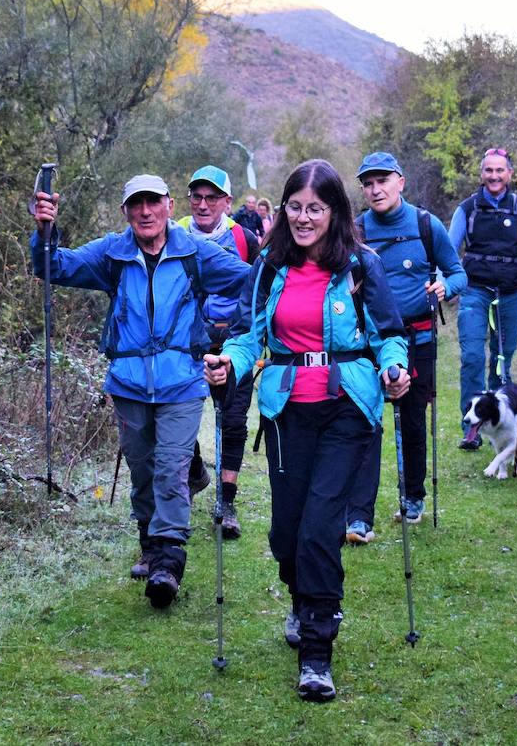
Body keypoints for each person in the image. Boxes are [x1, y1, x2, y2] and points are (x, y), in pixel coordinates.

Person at [204, 159, 409, 703]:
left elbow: (390, 334)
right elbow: (249, 336)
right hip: (287, 409)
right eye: (294, 207)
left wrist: (394, 369)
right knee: (285, 533)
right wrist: (230, 361)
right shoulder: (270, 268)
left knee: (320, 527)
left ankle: (317, 650)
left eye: (314, 209)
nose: (302, 217)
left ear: (334, 212)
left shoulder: (362, 264)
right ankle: (304, 599)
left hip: (348, 406)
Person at [31, 174, 250, 608]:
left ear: (170, 206)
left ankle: (168, 560)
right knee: (143, 468)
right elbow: (52, 267)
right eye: (136, 204)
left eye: (153, 202)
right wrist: (44, 232)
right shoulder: (111, 253)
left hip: (183, 383)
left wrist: (234, 334)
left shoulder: (195, 252)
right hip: (129, 384)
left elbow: (251, 282)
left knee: (168, 467)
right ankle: (149, 542)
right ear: (125, 211)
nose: (145, 212)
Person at [344, 152, 466, 540]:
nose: (375, 189)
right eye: (368, 183)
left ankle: (413, 497)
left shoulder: (426, 225)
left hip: (418, 337)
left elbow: (458, 272)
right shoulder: (356, 229)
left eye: (382, 180)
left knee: (412, 419)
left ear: (401, 181)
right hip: (366, 341)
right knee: (363, 420)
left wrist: (445, 287)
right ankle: (358, 516)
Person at [176, 165, 260, 539]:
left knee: (233, 420)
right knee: (177, 416)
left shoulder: (244, 239)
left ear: (228, 201)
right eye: (197, 196)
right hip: (185, 344)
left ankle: (227, 503)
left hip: (233, 342)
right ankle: (195, 471)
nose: (203, 204)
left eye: (212, 197)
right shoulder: (173, 233)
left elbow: (261, 288)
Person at [448, 147, 517, 449]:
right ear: (482, 174)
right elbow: (449, 250)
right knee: (473, 357)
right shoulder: (468, 209)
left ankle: (499, 425)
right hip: (475, 292)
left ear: (510, 174)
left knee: (502, 361)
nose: (494, 175)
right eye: (489, 170)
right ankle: (471, 427)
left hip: (511, 293)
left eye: (500, 170)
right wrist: (444, 281)